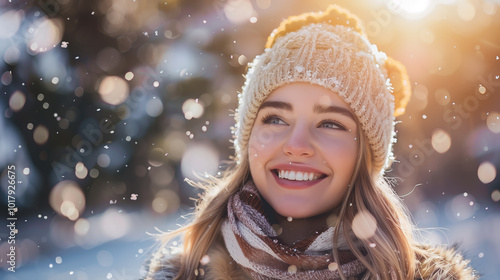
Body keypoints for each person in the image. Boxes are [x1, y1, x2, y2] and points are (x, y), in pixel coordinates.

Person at [142, 5, 478, 280]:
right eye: (275, 119)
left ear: (365, 153)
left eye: (330, 123)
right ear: (247, 138)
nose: (297, 144)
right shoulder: (184, 274)